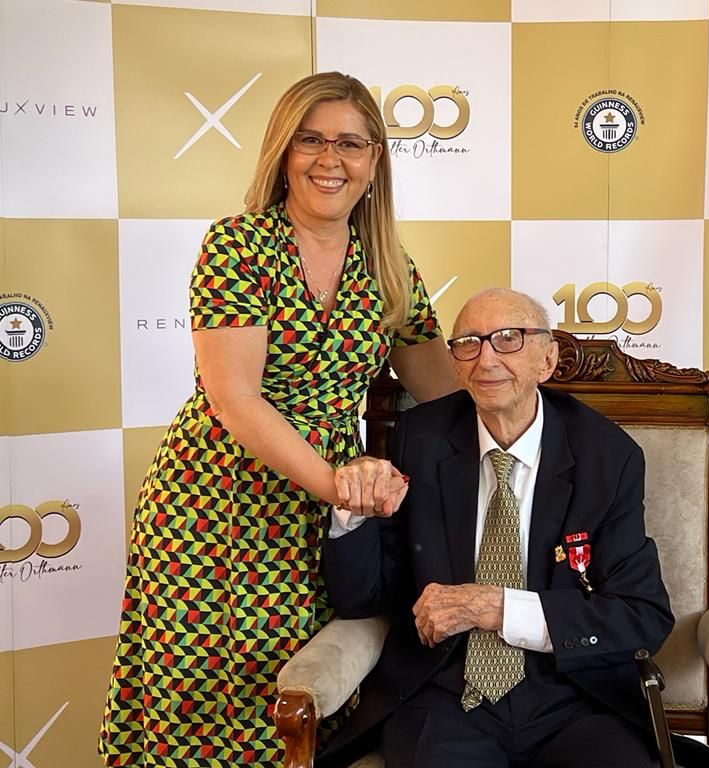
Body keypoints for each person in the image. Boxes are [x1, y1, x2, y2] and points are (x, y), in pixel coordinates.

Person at [99, 71, 458, 767]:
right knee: (196, 700)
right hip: (213, 504)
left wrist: (532, 409)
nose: (330, 160)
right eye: (310, 140)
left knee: (299, 692)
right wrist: (342, 488)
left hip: (319, 525)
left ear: (375, 159)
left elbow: (441, 390)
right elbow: (236, 401)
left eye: (350, 143)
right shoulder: (238, 245)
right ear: (282, 152)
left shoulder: (390, 266)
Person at [321, 288, 709, 767]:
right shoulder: (420, 439)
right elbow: (365, 597)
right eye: (468, 343)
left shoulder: (607, 457)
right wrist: (353, 510)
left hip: (576, 696)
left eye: (508, 339)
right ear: (455, 365)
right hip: (446, 692)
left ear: (547, 359)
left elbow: (640, 616)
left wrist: (499, 608)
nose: (486, 359)